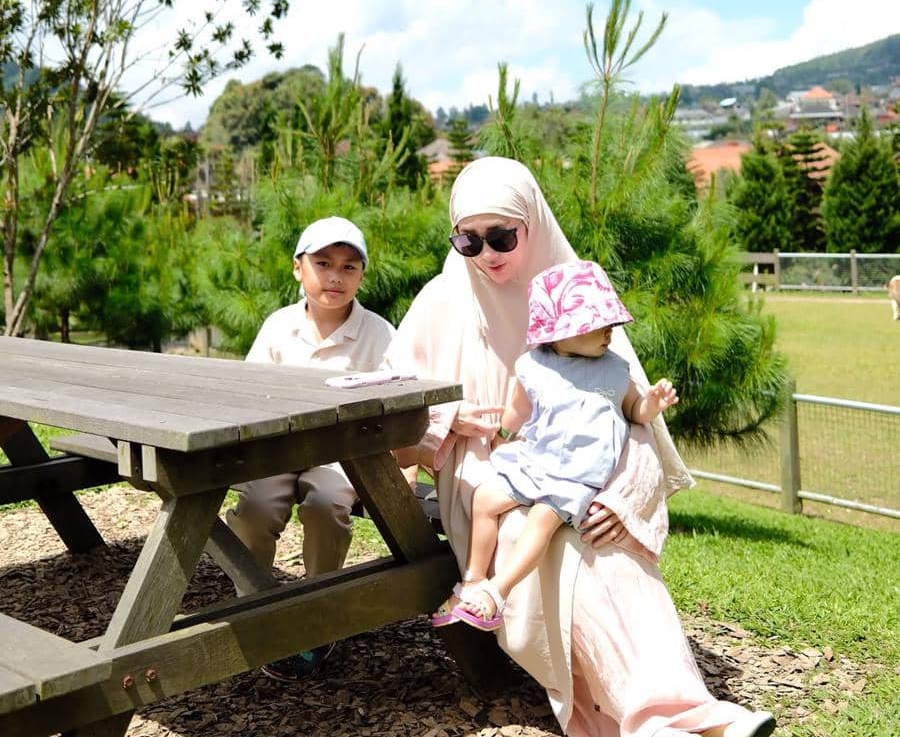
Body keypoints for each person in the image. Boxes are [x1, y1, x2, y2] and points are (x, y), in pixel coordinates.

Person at [389, 157, 776, 737]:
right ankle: (651, 720)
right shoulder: (441, 302)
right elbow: (388, 421)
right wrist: (448, 418)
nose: (487, 253)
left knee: (610, 553)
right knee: (552, 548)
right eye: (468, 238)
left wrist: (624, 499)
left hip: (585, 478)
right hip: (488, 479)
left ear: (534, 225)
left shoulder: (580, 296)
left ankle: (678, 716)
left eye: (502, 236)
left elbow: (634, 420)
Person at [437, 259, 678, 632]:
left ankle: (497, 593)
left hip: (577, 475)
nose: (609, 333)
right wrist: (500, 436)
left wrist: (653, 404)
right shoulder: (533, 366)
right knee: (484, 498)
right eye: (597, 325)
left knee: (542, 521)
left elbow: (635, 409)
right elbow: (517, 412)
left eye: (611, 324)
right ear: (557, 333)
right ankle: (473, 579)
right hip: (537, 461)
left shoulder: (614, 368)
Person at [226, 215, 395, 681]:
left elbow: (396, 406)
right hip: (279, 451)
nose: (335, 277)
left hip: (344, 457)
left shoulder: (379, 334)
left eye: (349, 266)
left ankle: (319, 612)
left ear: (362, 275)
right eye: (323, 263)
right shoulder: (279, 327)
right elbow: (250, 392)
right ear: (298, 268)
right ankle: (256, 601)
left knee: (326, 503)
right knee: (257, 506)